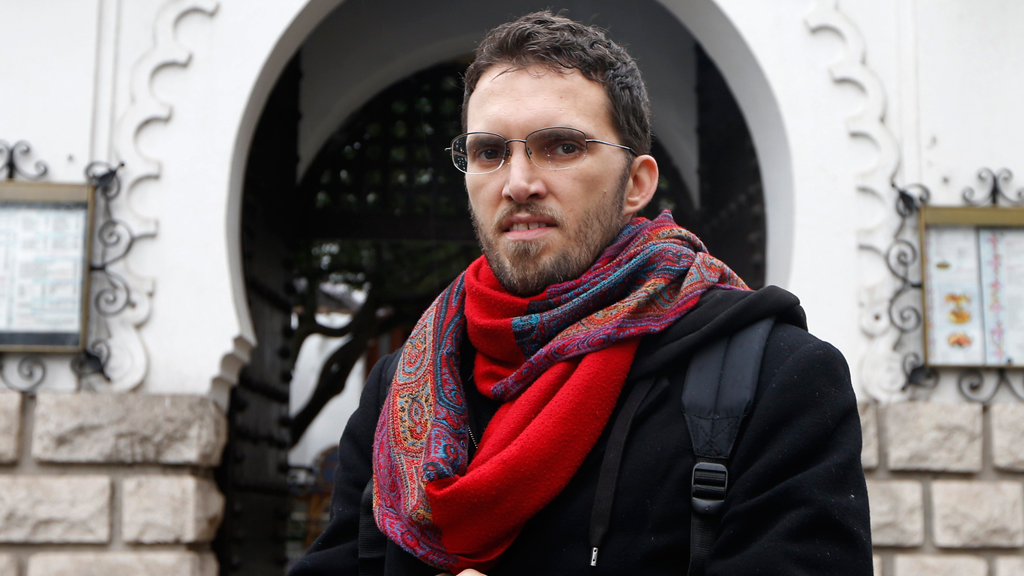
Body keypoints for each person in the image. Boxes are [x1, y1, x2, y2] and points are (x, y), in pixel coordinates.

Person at [290, 10, 872, 576]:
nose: (518, 184)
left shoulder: (775, 377)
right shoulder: (403, 386)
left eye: (562, 146)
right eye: (490, 152)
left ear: (637, 183)